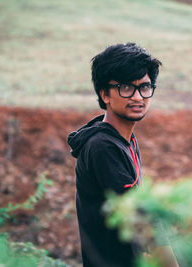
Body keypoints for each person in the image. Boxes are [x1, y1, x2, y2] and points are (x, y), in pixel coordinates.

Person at [68, 43, 178, 267]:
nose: (138, 97)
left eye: (145, 87)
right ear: (104, 94)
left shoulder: (124, 140)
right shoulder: (103, 146)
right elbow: (143, 221)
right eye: (126, 87)